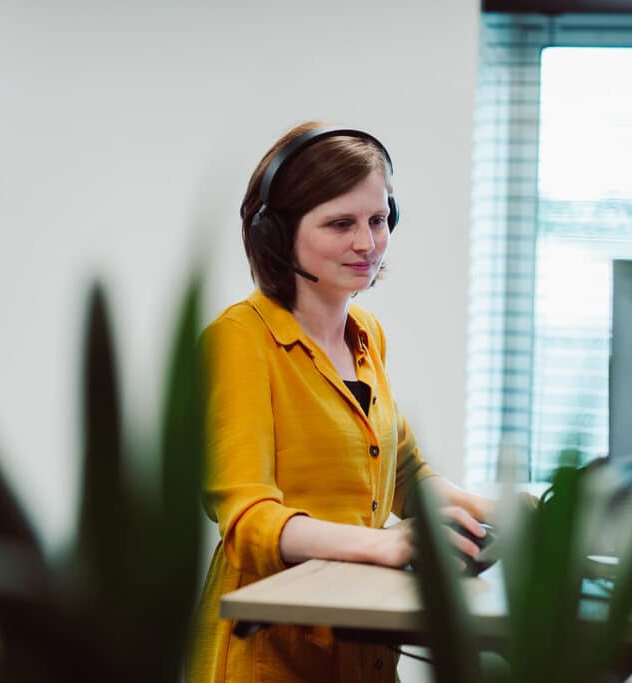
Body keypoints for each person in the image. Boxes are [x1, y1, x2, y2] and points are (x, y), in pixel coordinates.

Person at [186, 122, 495, 683]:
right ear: (277, 237)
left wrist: (507, 517)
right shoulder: (240, 341)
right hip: (270, 658)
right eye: (340, 223)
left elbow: (404, 478)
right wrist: (384, 546)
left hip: (364, 651)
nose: (367, 243)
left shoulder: (365, 334)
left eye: (379, 220)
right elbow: (249, 522)